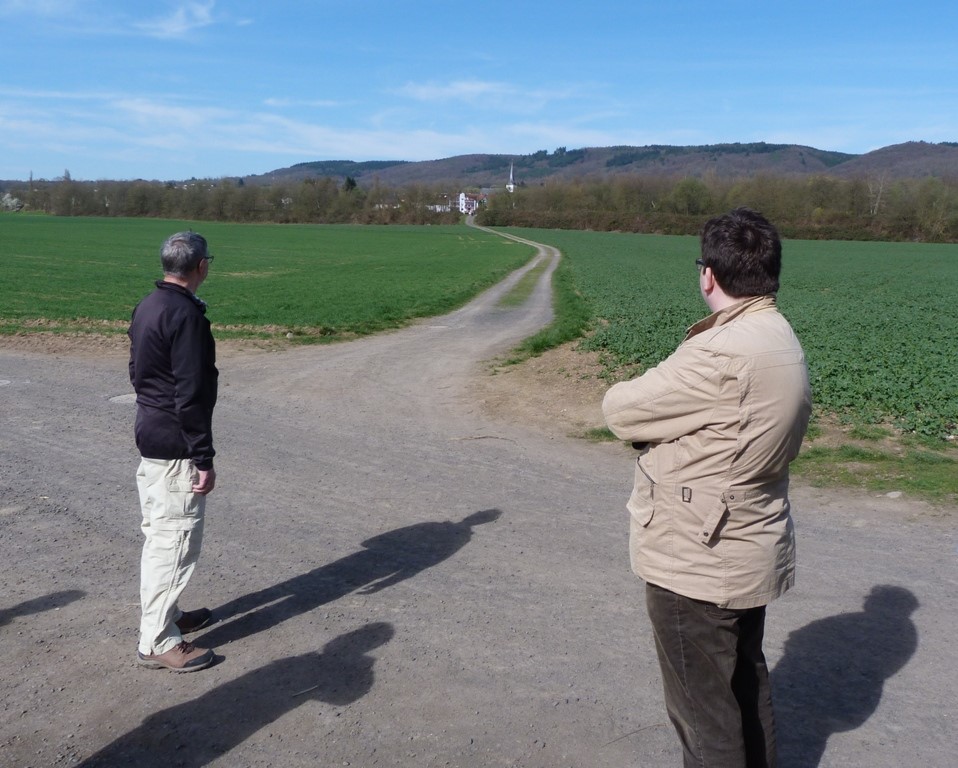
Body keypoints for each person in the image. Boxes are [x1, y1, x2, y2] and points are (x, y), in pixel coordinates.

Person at [602, 208, 811, 767]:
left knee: (703, 711)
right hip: (747, 543)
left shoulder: (720, 352)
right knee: (745, 685)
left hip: (695, 556)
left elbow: (621, 410)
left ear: (707, 275)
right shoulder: (778, 334)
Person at [128, 231, 219, 672]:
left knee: (161, 531)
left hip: (152, 434)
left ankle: (170, 613)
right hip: (177, 445)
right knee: (174, 541)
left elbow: (137, 371)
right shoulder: (186, 316)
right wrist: (203, 456)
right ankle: (157, 640)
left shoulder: (148, 306)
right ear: (201, 266)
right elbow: (192, 392)